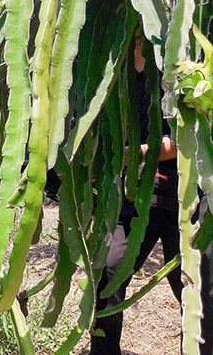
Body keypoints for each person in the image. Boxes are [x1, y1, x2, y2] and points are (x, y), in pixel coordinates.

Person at [91, 33, 182, 353]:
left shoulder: (174, 67)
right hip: (126, 198)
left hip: (177, 199)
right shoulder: (107, 71)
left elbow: (179, 139)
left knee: (195, 291)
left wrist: (133, 154)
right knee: (107, 283)